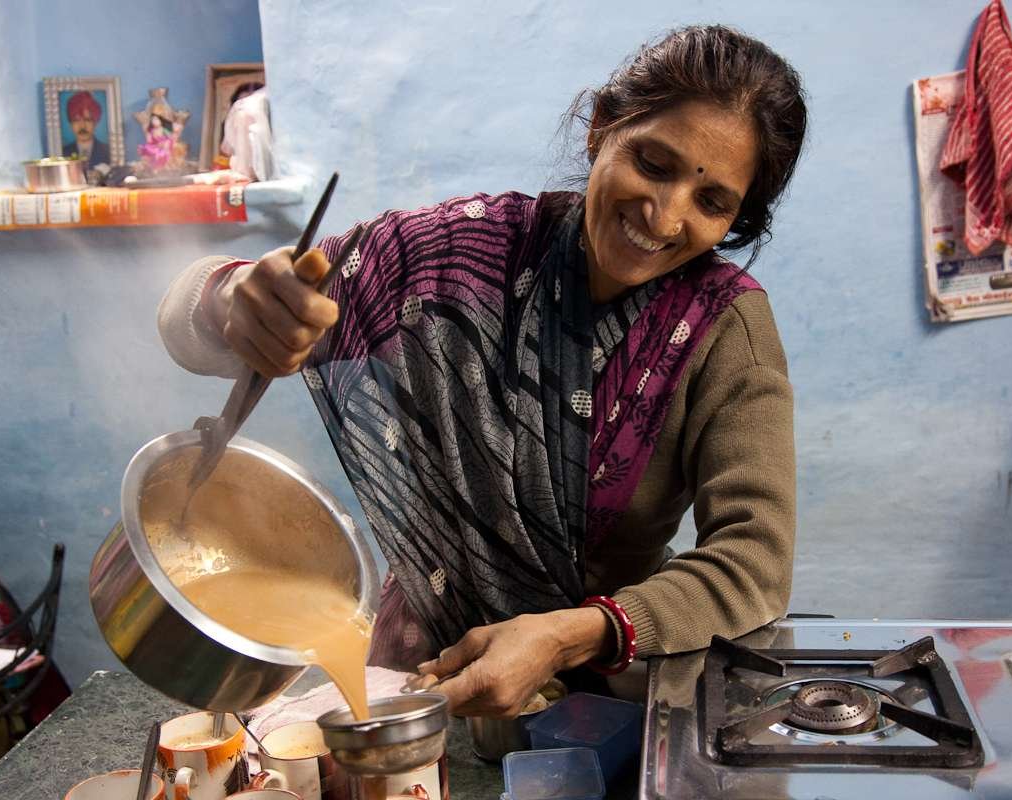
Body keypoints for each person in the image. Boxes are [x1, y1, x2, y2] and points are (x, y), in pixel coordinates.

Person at [157, 25, 806, 718]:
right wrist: (238, 299)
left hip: (608, 700)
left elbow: (754, 561)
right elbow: (188, 325)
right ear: (601, 130)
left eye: (712, 203)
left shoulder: (721, 326)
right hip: (422, 683)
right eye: (652, 162)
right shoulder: (460, 260)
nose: (666, 214)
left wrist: (567, 636)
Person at [62, 90, 111, 167]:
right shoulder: (63, 153)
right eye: (76, 120)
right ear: (70, 123)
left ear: (95, 122)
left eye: (87, 120)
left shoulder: (108, 151)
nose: (82, 126)